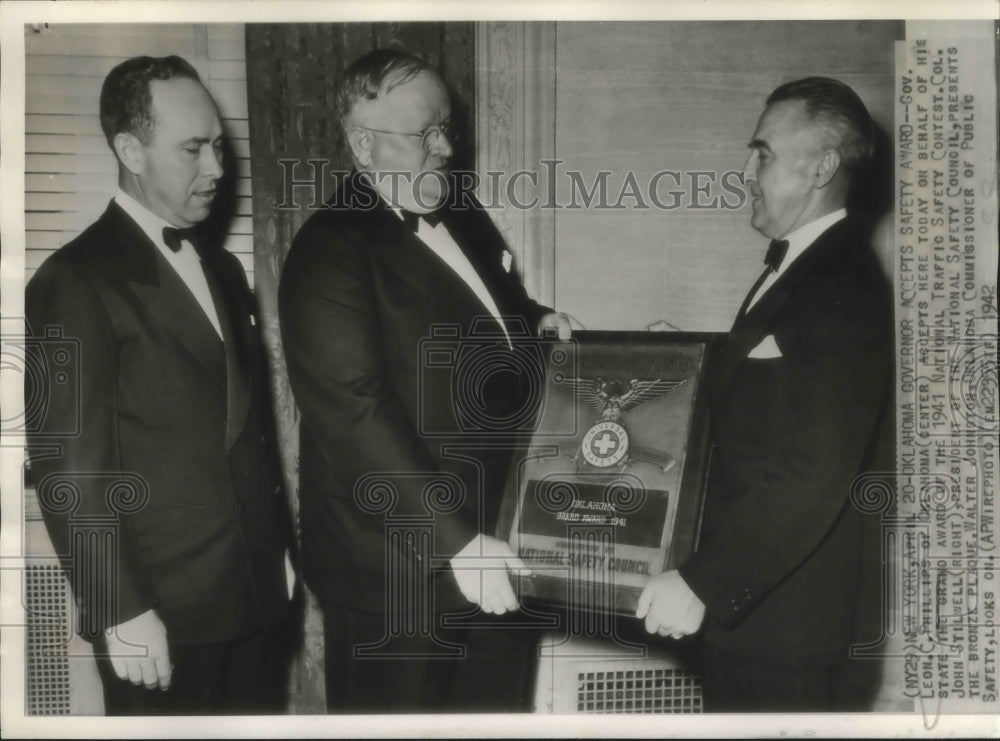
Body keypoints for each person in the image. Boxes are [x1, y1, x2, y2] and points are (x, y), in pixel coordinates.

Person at [279, 48, 574, 713]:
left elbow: (487, 307)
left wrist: (537, 319)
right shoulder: (330, 247)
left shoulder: (462, 215)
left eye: (448, 127)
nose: (444, 146)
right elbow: (354, 413)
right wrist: (457, 544)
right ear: (363, 143)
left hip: (496, 544)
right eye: (423, 134)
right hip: (402, 571)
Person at [25, 55, 294, 715]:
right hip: (160, 615)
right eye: (193, 149)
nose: (218, 169)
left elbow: (245, 433)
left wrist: (276, 555)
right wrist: (119, 608)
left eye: (220, 148)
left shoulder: (225, 270)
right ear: (130, 150)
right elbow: (69, 470)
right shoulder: (74, 280)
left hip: (257, 598)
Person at [636, 77, 892, 711]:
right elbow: (781, 401)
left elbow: (813, 468)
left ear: (821, 168)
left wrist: (702, 582)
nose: (747, 171)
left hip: (784, 629)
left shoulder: (842, 283)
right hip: (757, 620)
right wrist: (695, 362)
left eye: (764, 153)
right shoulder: (806, 269)